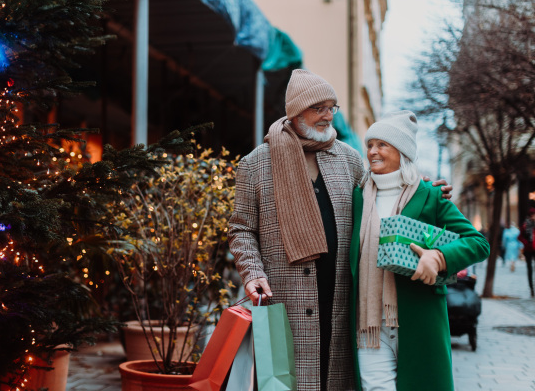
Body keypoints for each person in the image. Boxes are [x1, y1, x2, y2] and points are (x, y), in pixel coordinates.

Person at [228, 70, 451, 391]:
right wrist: (252, 272)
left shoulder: (348, 159)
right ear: (295, 110)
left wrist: (429, 189)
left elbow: (386, 193)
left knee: (335, 380)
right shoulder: (255, 164)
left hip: (342, 295)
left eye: (332, 107)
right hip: (284, 295)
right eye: (318, 107)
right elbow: (241, 228)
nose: (328, 115)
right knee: (286, 380)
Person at [348, 111, 490, 391]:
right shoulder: (356, 197)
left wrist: (439, 257)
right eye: (370, 145)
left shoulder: (430, 195)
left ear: (402, 151)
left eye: (382, 144)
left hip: (419, 320)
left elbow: (478, 242)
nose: (372, 151)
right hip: (369, 326)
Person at [519, 207, 535, 297]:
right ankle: (531, 288)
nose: (533, 217)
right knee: (530, 269)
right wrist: (526, 243)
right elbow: (520, 236)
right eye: (531, 215)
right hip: (528, 250)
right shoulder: (525, 225)